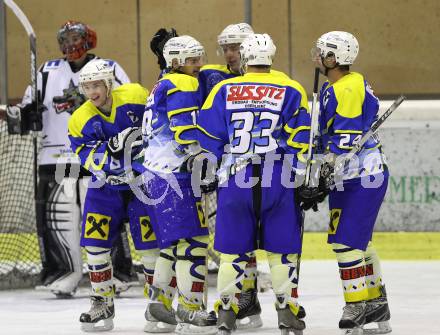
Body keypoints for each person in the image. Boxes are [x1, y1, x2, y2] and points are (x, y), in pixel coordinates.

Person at [1, 20, 136, 297]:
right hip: (55, 157)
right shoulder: (46, 72)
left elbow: (127, 105)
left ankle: (116, 272)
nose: (70, 45)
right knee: (59, 217)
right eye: (65, 39)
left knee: (104, 215)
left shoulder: (109, 67)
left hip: (98, 156)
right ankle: (64, 272)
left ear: (89, 39)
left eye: (76, 37)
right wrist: (26, 116)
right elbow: (26, 112)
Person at [196, 33, 310, 335]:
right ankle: (288, 313)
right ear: (271, 56)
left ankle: (226, 314)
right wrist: (301, 176)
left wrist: (209, 172)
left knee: (233, 252)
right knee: (282, 251)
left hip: (236, 179)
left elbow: (208, 138)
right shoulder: (291, 87)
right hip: (278, 177)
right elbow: (301, 139)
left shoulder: (223, 88)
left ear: (245, 58)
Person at [306, 31, 391, 335]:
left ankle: (356, 306)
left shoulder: (348, 87)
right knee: (359, 244)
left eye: (324, 52)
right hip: (351, 176)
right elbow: (329, 139)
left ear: (336, 57)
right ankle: (377, 307)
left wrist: (322, 176)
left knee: (346, 244)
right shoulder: (339, 86)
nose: (318, 56)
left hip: (363, 176)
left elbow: (344, 140)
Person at [68, 59, 160, 332]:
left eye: (96, 85)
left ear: (109, 84)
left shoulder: (134, 96)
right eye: (86, 87)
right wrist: (111, 155)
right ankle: (102, 305)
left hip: (141, 186)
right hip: (105, 187)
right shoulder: (80, 119)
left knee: (151, 250)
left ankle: (158, 307)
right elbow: (86, 155)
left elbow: (157, 124)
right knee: (95, 247)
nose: (92, 91)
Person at [141, 35, 217, 335]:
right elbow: (184, 130)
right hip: (173, 174)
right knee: (195, 242)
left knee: (172, 245)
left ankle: (158, 306)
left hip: (155, 174)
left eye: (200, 57)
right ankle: (191, 309)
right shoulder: (183, 84)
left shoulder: (163, 82)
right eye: (192, 60)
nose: (199, 65)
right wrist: (204, 158)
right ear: (175, 62)